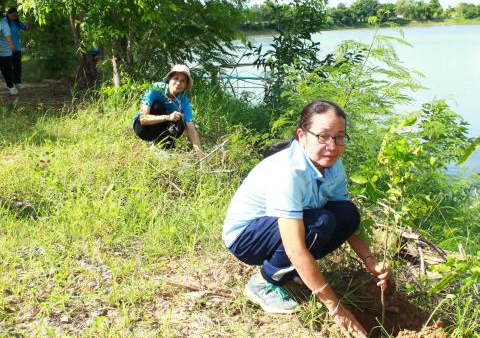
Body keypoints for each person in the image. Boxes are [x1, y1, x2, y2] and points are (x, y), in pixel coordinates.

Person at [223, 100, 390, 338]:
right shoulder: (289, 171)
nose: (332, 146)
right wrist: (335, 308)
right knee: (320, 222)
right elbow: (295, 248)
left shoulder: (332, 164)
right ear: (302, 135)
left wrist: (369, 260)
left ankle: (288, 272)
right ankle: (263, 281)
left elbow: (346, 221)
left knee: (347, 214)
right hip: (246, 237)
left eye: (339, 137)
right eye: (322, 136)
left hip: (284, 227)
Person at [133, 64, 202, 154]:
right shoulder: (156, 89)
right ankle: (157, 145)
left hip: (161, 130)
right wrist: (168, 117)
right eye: (176, 78)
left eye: (182, 81)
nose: (178, 83)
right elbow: (143, 119)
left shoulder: (184, 102)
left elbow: (191, 129)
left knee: (181, 121)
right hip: (143, 128)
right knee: (158, 106)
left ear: (186, 85)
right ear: (169, 79)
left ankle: (163, 148)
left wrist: (200, 153)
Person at [6, 7, 28, 90]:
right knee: (9, 67)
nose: (14, 17)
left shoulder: (17, 22)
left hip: (17, 47)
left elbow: (25, 27)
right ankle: (11, 84)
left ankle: (18, 83)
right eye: (13, 16)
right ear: (8, 14)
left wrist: (28, 22)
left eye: (16, 16)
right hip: (7, 48)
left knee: (17, 66)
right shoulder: (3, 22)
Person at [0, 9, 16, 95]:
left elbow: (8, 35)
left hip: (5, 52)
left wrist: (11, 45)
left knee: (6, 70)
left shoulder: (3, 23)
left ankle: (11, 87)